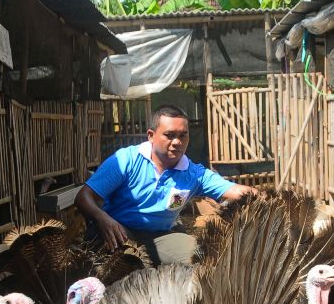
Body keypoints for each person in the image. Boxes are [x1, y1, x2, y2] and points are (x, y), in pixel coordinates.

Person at [76, 104, 257, 265]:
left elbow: (233, 190)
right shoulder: (126, 160)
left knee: (201, 258)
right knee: (110, 267)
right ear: (151, 136)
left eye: (183, 136)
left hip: (160, 236)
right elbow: (84, 197)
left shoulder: (194, 174)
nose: (177, 142)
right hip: (119, 232)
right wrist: (102, 219)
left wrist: (266, 196)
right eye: (169, 135)